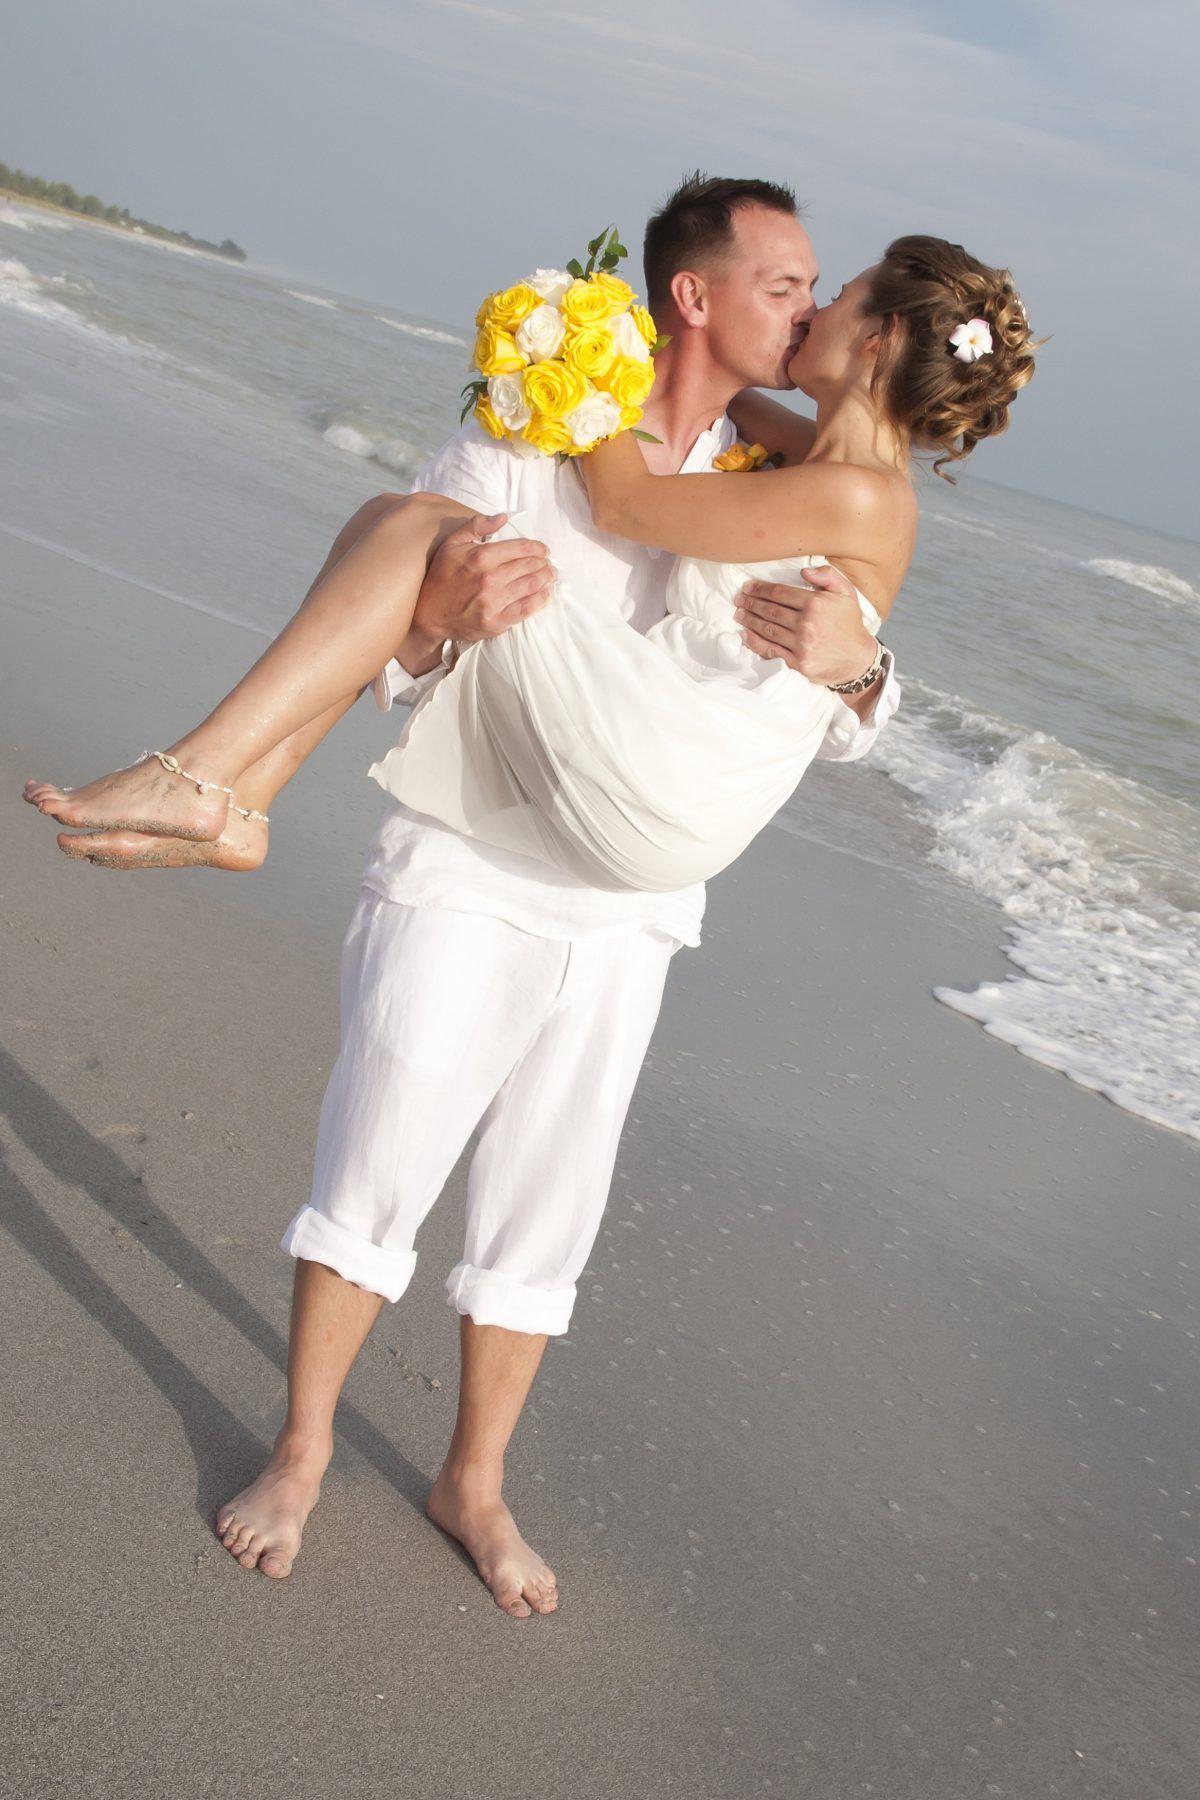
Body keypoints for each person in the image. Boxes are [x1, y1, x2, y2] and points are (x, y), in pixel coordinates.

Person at [22, 180, 1032, 1615]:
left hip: (634, 884)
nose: (808, 304)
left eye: (831, 292)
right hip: (485, 844)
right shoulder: (676, 432)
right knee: (379, 1154)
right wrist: (441, 608)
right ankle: (303, 1451)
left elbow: (755, 575)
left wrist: (863, 668)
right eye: (787, 283)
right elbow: (408, 631)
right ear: (695, 299)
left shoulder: (811, 475)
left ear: (870, 343)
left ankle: (472, 1483)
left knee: (545, 1209)